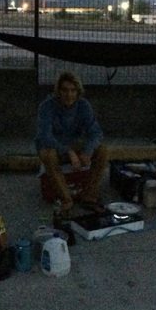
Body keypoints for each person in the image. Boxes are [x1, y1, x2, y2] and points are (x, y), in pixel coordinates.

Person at [35, 71, 108, 214]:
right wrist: (68, 152)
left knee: (102, 150)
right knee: (47, 154)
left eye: (73, 90)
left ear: (78, 91)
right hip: (55, 147)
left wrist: (88, 151)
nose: (69, 95)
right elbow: (45, 136)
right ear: (58, 91)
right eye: (65, 90)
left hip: (76, 145)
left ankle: (89, 195)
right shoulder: (46, 106)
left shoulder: (84, 106)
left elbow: (96, 132)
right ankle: (66, 199)